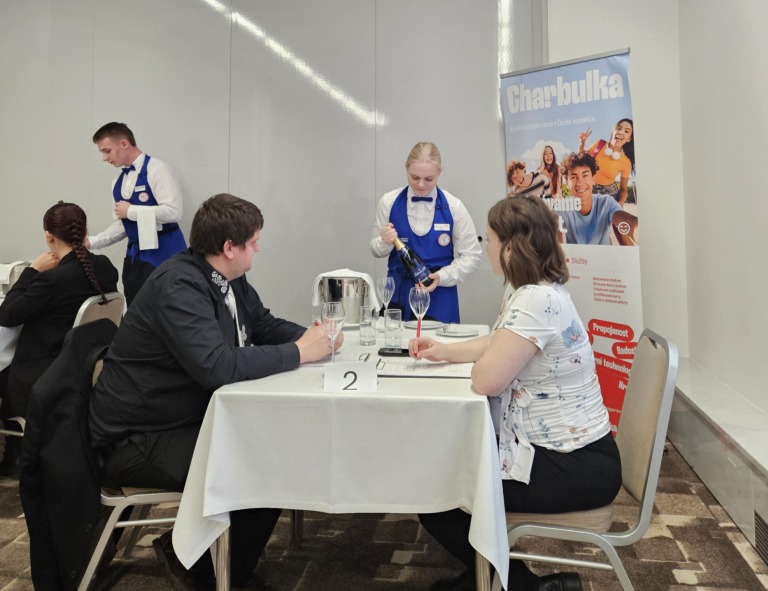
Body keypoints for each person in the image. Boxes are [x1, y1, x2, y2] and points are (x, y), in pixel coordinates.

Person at [89, 193, 338, 590]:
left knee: (275, 447)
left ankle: (206, 558)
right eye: (254, 242)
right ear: (229, 247)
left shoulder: (225, 277)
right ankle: (201, 567)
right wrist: (299, 352)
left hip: (179, 418)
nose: (258, 249)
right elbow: (216, 367)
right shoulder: (179, 285)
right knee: (267, 463)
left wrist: (317, 340)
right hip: (138, 438)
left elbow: (262, 324)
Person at [409, 196, 622, 591]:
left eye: (488, 239)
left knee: (436, 490)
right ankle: (489, 576)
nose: (485, 246)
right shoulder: (529, 289)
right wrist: (445, 351)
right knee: (446, 469)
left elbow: (487, 379)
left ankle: (524, 586)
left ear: (509, 247)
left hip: (576, 465)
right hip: (569, 452)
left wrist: (481, 364)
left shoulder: (536, 300)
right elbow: (499, 343)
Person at [0, 202, 118, 477]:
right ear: (84, 231)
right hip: (89, 365)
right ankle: (17, 452)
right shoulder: (105, 267)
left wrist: (32, 270)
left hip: (46, 373)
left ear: (49, 236)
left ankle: (17, 453)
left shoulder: (52, 280)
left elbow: (6, 315)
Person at [369, 142, 482, 323]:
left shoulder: (454, 206)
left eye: (429, 179)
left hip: (439, 295)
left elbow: (472, 255)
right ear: (406, 169)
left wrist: (442, 276)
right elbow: (376, 250)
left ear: (440, 172)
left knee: (439, 341)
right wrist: (384, 241)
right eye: (414, 177)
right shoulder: (388, 202)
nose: (421, 184)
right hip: (399, 294)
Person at [89, 122, 187, 305]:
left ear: (124, 144)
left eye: (107, 151)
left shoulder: (158, 170)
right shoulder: (117, 183)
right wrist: (92, 241)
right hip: (136, 258)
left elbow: (174, 212)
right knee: (136, 309)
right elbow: (121, 225)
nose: (104, 158)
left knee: (170, 309)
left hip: (166, 253)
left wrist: (131, 211)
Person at [557, 152, 638, 246]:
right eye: (573, 177)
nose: (580, 182)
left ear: (593, 180)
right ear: (567, 183)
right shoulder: (562, 207)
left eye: (585, 175)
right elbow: (553, 230)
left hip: (604, 255)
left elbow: (629, 222)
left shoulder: (606, 202)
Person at [578, 118, 635, 205]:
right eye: (619, 128)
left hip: (610, 194)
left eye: (626, 131)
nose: (621, 132)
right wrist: (582, 144)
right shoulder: (599, 144)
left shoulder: (626, 162)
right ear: (613, 130)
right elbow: (580, 161)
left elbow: (623, 190)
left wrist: (620, 204)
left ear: (629, 139)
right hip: (590, 188)